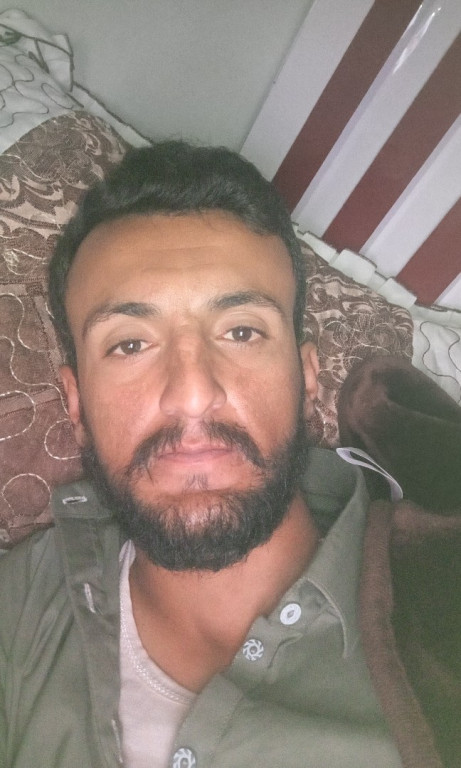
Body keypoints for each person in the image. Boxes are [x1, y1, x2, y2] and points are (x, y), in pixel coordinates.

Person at [0, 141, 442, 768]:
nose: (192, 393)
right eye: (130, 344)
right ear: (75, 404)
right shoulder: (17, 609)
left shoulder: (438, 592)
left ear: (306, 377)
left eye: (241, 331)